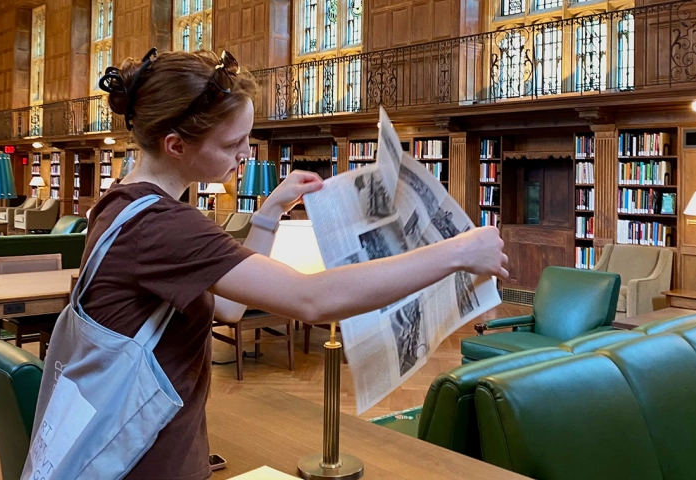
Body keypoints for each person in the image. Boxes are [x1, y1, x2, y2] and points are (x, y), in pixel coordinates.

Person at [83, 47, 509, 479]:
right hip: (144, 460)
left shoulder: (122, 204)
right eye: (232, 143)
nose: (245, 154)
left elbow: (229, 310)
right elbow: (312, 300)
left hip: (158, 445)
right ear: (175, 145)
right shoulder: (163, 226)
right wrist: (458, 252)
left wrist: (269, 212)